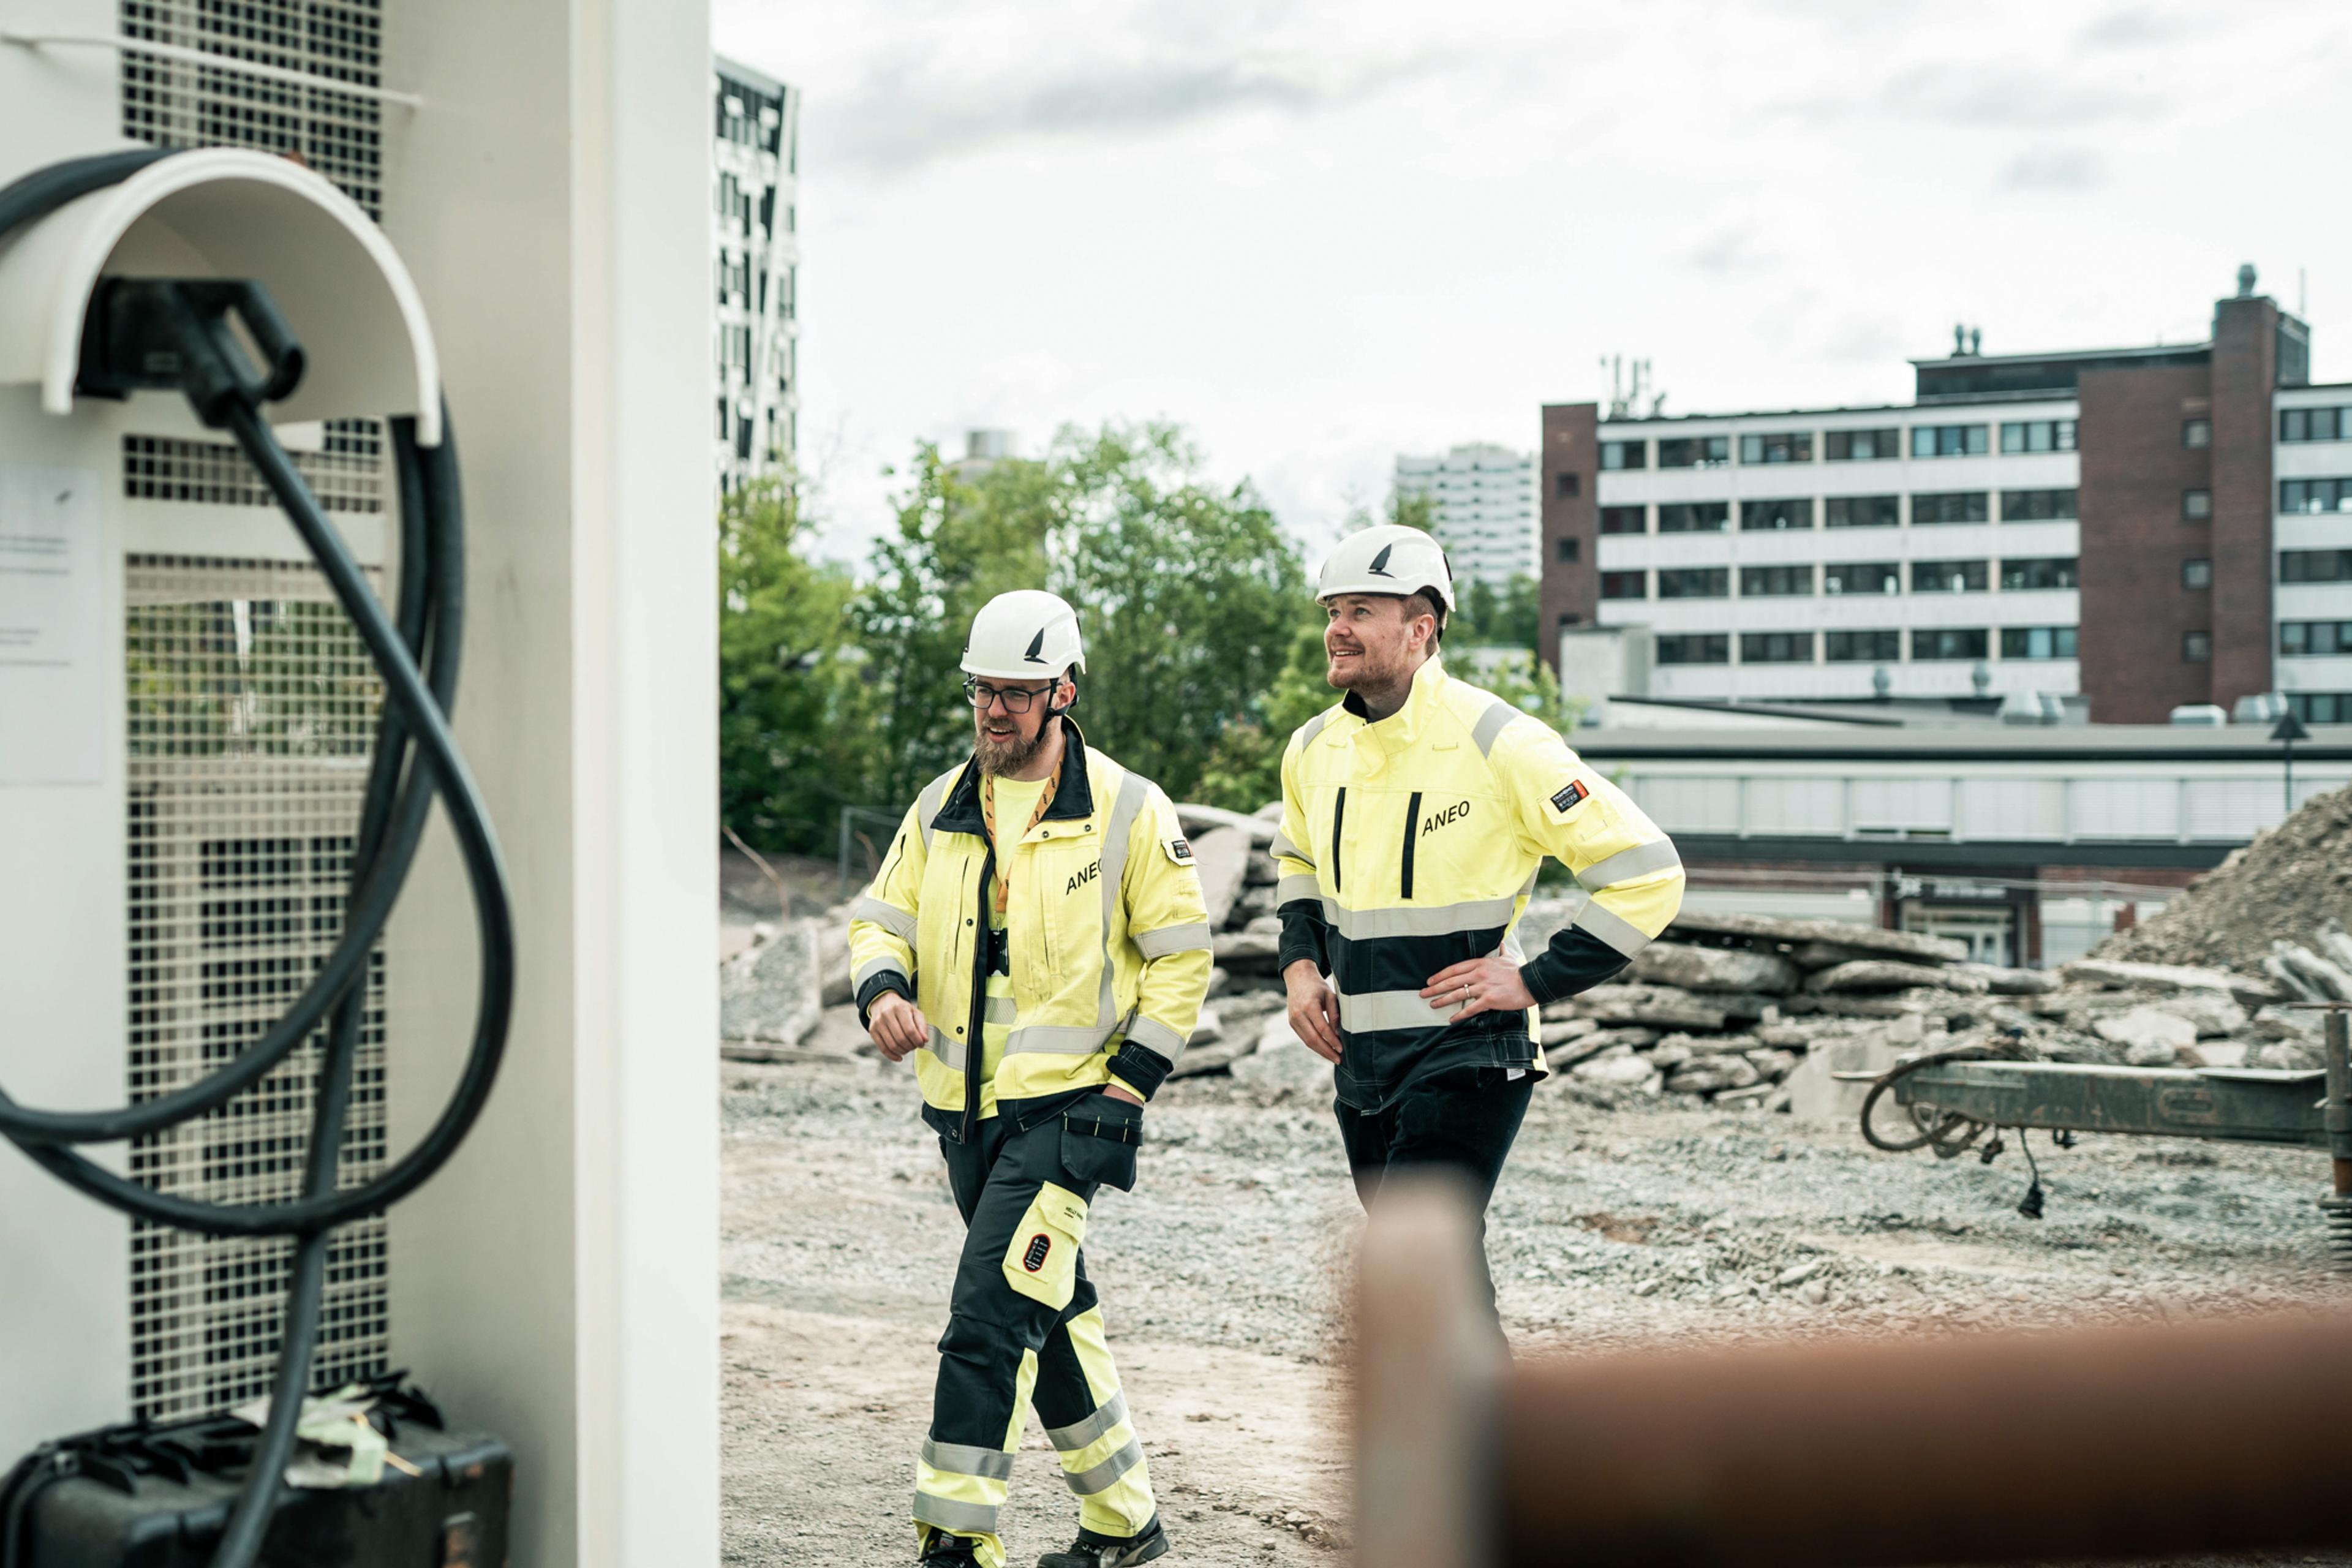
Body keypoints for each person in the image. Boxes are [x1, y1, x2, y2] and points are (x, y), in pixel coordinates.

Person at [850, 589, 1212, 1568]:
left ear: (1064, 691)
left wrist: (1128, 1091)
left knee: (986, 1319)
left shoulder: (1131, 810)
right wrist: (882, 989)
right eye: (981, 693)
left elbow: (1181, 960)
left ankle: (957, 1541)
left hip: (1071, 1117)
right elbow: (878, 919)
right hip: (964, 1116)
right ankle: (1125, 1524)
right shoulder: (942, 806)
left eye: (1014, 694)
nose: (994, 713)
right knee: (1050, 1316)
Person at [1271, 526, 1684, 1328]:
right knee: (1427, 1279)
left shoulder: (1500, 741)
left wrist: (1531, 980)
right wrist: (1298, 967)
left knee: (1419, 1268)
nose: (1337, 628)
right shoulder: (1313, 748)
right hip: (1363, 1062)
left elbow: (1647, 872)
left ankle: (1488, 1449)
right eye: (1332, 609)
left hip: (1468, 1052)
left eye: (1360, 609)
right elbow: (1298, 859)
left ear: (1422, 627)